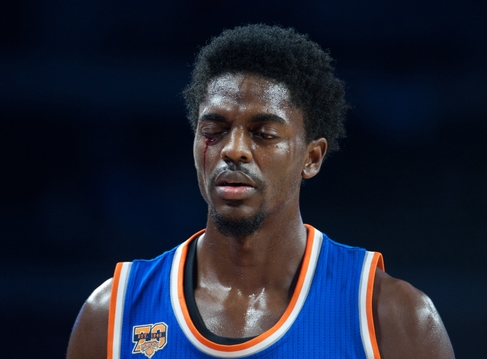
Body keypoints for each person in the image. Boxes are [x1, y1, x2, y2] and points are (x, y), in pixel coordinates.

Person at [66, 24, 454, 359]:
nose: (233, 149)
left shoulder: (392, 318)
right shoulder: (112, 316)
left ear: (312, 158)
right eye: (214, 131)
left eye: (263, 134)